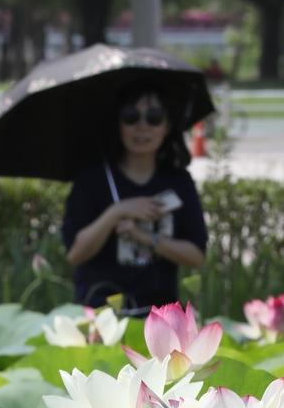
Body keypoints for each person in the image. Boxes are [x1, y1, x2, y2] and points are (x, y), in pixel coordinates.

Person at [61, 81, 208, 313]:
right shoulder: (93, 180)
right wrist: (116, 212)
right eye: (131, 117)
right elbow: (75, 254)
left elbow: (196, 256)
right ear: (118, 123)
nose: (142, 127)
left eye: (154, 117)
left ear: (167, 125)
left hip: (159, 315)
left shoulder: (179, 182)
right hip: (101, 311)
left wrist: (144, 236)